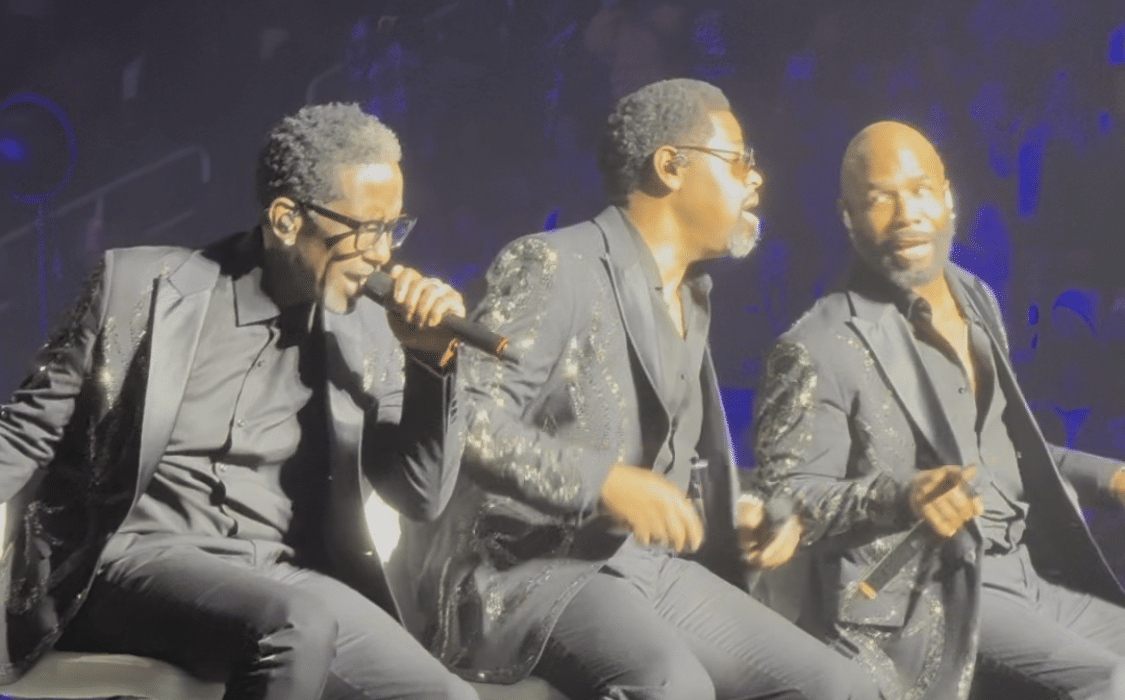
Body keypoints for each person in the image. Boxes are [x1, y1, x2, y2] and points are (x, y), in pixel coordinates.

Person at [404, 78, 880, 700]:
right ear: (670, 166)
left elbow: (658, 466)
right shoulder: (554, 263)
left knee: (837, 687)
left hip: (642, 568)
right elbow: (470, 421)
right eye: (739, 160)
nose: (756, 178)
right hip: (527, 571)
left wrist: (728, 514)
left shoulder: (692, 298)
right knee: (673, 687)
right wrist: (602, 482)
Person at [0, 103, 478, 700]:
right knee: (295, 627)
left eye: (394, 228)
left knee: (448, 697)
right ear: (285, 220)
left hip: (279, 574)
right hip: (128, 561)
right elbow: (25, 433)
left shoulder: (368, 330)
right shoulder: (140, 288)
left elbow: (420, 496)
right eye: (368, 229)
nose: (384, 253)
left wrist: (431, 363)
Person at [753, 119, 1125, 699]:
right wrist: (900, 494)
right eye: (880, 199)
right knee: (1109, 681)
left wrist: (1111, 477)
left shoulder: (976, 297)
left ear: (947, 197)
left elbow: (1001, 449)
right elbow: (786, 498)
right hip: (918, 593)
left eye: (920, 189)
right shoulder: (816, 344)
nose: (907, 213)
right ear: (848, 218)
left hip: (1021, 573)